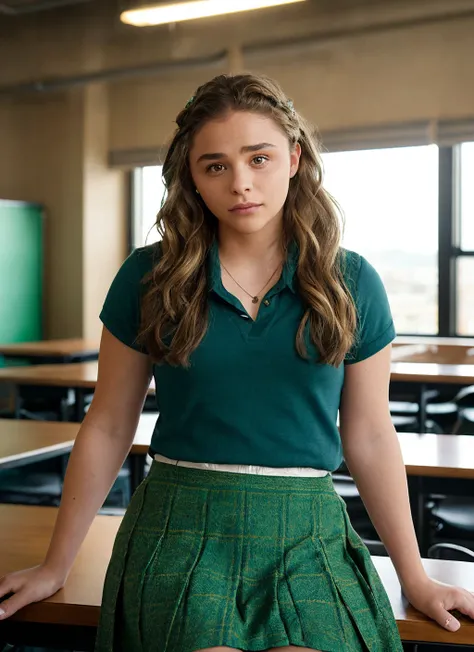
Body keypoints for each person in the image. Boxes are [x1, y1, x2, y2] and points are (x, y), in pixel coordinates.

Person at [0, 73, 473, 652]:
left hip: (308, 529)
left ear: (295, 159)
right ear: (192, 180)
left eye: (260, 158)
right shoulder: (149, 277)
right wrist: (56, 565)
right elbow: (107, 423)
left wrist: (416, 578)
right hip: (180, 521)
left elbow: (372, 435)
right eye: (216, 165)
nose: (241, 183)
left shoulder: (353, 282)